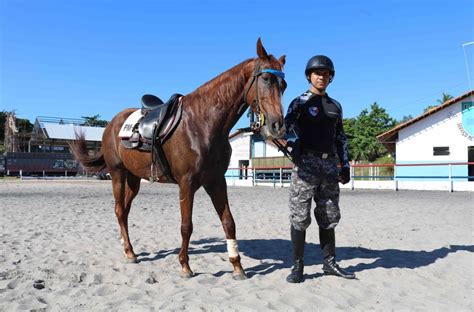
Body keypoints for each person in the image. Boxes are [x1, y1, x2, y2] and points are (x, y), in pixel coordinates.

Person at [284, 55, 355, 283]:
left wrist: (344, 165)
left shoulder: (335, 106)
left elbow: (341, 138)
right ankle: (298, 267)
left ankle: (329, 263)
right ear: (309, 76)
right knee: (300, 216)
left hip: (328, 167)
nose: (321, 77)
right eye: (317, 73)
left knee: (328, 215)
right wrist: (292, 146)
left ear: (330, 77)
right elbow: (285, 131)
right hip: (305, 165)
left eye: (325, 74)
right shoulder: (299, 103)